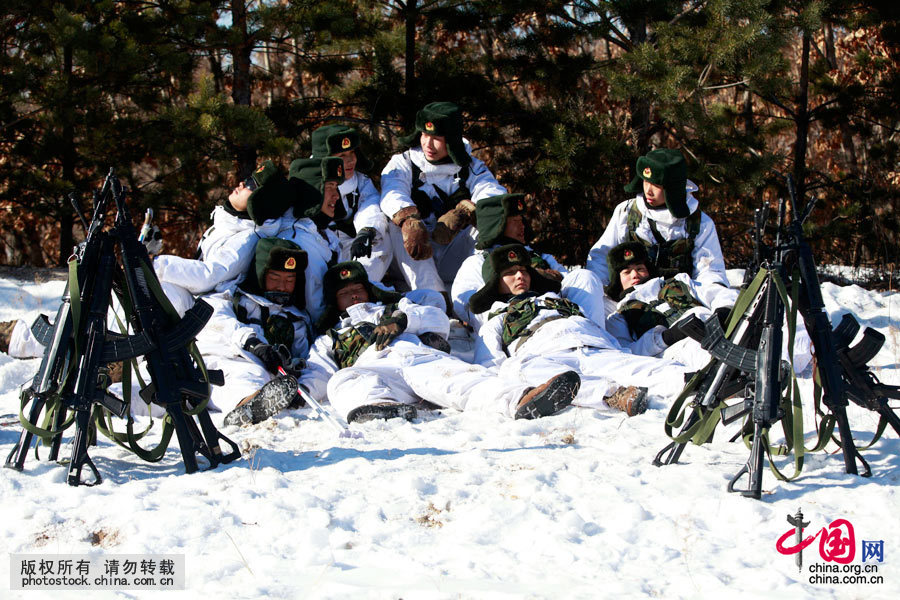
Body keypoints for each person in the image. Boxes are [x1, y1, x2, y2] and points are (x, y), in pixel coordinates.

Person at [257, 261, 582, 425]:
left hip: (417, 353)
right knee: (344, 381)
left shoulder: (397, 308)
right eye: (345, 293)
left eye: (358, 289)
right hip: (371, 365)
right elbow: (319, 371)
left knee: (459, 379)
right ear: (335, 302)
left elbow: (438, 318)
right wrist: (296, 394)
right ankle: (380, 410)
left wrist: (402, 321)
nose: (354, 295)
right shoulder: (330, 337)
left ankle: (523, 400)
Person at [471, 244, 695, 416]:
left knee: (654, 370)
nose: (520, 276)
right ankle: (613, 395)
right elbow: (489, 365)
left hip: (592, 343)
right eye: (510, 273)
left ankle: (703, 382)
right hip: (546, 355)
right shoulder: (497, 318)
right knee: (513, 369)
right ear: (495, 282)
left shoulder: (554, 298)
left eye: (523, 270)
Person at [604, 241, 813, 372]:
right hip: (681, 346)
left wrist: (722, 310)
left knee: (772, 316)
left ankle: (810, 347)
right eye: (626, 272)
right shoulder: (619, 316)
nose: (635, 275)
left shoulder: (679, 281)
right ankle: (770, 367)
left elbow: (717, 293)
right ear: (617, 280)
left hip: (717, 325)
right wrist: (665, 338)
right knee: (708, 355)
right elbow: (626, 353)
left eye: (640, 268)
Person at [380, 101, 507, 295]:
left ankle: (487, 291)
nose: (428, 144)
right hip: (414, 255)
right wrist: (409, 220)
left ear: (452, 139)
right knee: (395, 226)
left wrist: (465, 213)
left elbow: (493, 194)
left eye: (436, 138)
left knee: (487, 229)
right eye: (424, 135)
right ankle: (435, 297)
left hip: (451, 252)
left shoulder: (471, 167)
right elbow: (392, 190)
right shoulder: (404, 162)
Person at [585, 148, 736, 309]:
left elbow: (710, 273)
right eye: (646, 181)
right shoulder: (627, 213)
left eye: (656, 185)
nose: (648, 190)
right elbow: (600, 258)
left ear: (673, 188)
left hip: (678, 303)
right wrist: (603, 295)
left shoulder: (699, 223)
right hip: (627, 303)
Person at [196, 237, 314, 427]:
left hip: (266, 375)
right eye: (275, 278)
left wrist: (292, 365)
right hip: (223, 359)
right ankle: (246, 404)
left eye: (289, 280)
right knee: (247, 373)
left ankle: (256, 405)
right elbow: (217, 317)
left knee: (259, 375)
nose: (282, 286)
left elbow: (304, 356)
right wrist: (252, 342)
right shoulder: (234, 296)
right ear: (261, 273)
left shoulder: (297, 319)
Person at [451, 193, 606, 331]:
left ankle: (594, 335)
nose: (523, 225)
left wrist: (548, 280)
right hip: (516, 325)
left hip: (557, 317)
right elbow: (467, 304)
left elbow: (570, 284)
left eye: (522, 220)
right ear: (497, 225)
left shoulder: (541, 257)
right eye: (515, 221)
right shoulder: (478, 262)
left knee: (584, 276)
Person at [152, 160, 287, 316]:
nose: (241, 184)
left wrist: (155, 265)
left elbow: (208, 276)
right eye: (247, 179)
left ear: (261, 201)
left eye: (250, 185)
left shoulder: (247, 240)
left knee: (152, 287)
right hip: (199, 302)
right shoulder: (233, 223)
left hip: (212, 313)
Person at [309, 125, 392, 280]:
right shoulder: (309, 183)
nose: (350, 160)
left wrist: (366, 231)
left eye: (352, 152)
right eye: (342, 155)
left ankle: (362, 284)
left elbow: (370, 204)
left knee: (382, 237)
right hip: (321, 244)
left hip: (352, 244)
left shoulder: (361, 181)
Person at [276, 156, 346, 322]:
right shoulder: (297, 239)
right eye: (330, 186)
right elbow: (315, 308)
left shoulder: (319, 230)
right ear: (312, 190)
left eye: (336, 187)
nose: (336, 195)